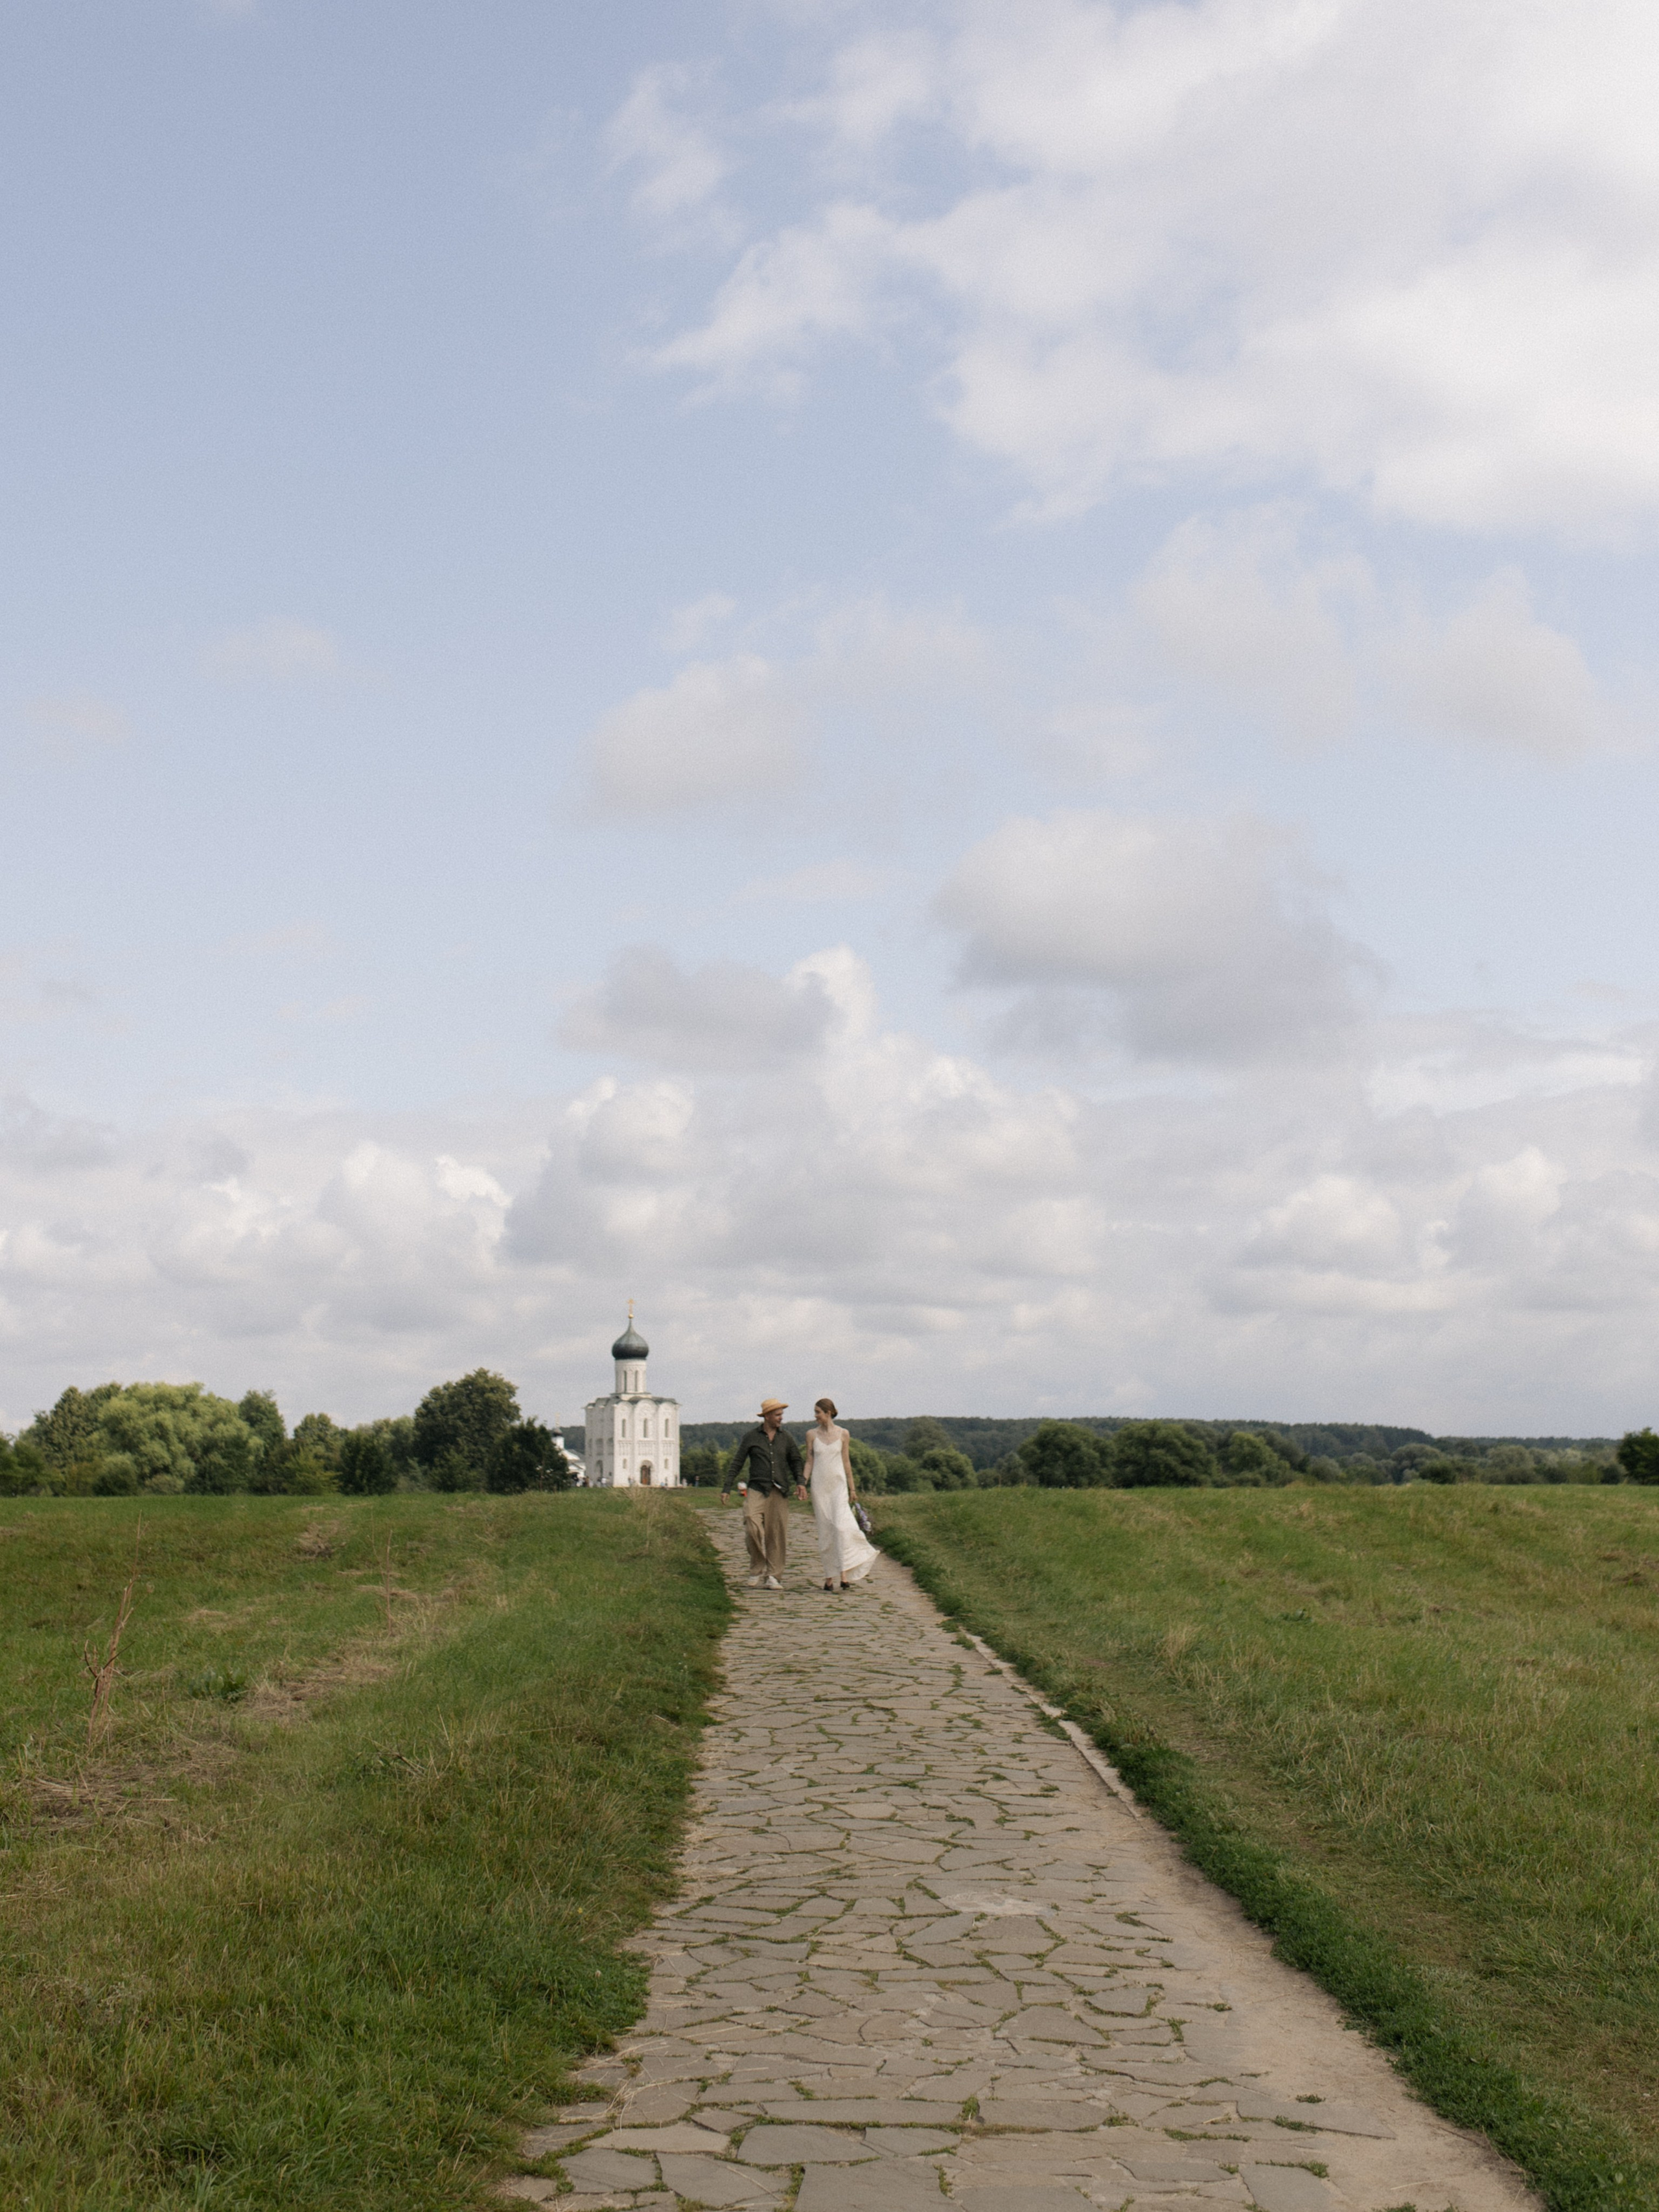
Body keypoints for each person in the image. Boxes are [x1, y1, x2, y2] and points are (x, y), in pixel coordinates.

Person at [723, 1397, 804, 1589]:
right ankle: (757, 1568)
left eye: (782, 1415)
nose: (781, 1418)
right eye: (777, 1415)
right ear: (767, 1416)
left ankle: (774, 1576)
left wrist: (801, 1483)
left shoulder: (786, 1438)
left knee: (776, 1534)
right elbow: (737, 1462)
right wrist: (727, 1488)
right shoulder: (751, 1437)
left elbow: (796, 1461)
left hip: (780, 1491)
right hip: (757, 1489)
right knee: (751, 1523)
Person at [806, 1397, 879, 1591]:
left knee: (841, 1527)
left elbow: (846, 1462)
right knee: (826, 1531)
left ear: (828, 1413)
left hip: (839, 1487)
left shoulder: (844, 1434)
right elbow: (809, 1461)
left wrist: (852, 1489)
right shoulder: (811, 1435)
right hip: (820, 1487)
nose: (815, 1416)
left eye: (818, 1412)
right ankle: (830, 1577)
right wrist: (801, 1483)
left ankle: (845, 1572)